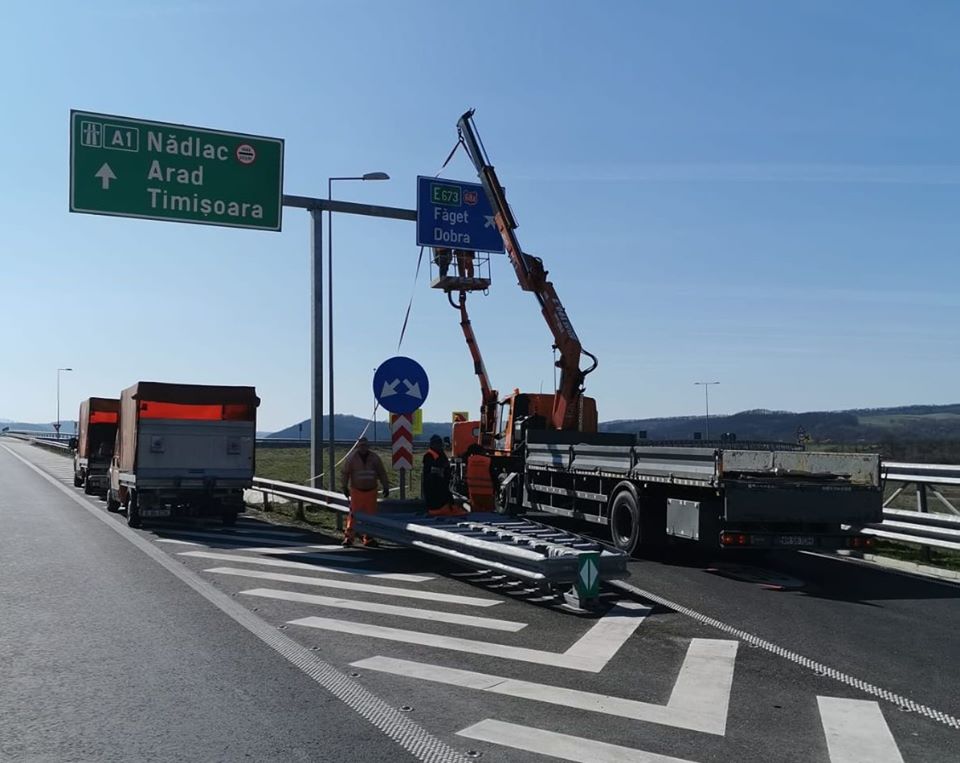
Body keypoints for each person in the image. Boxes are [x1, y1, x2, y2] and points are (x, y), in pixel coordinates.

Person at [340, 436, 390, 547]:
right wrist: (344, 487)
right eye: (361, 445)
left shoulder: (374, 458)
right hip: (356, 491)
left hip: (371, 492)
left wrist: (386, 486)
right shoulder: (352, 458)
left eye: (365, 445)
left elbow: (381, 472)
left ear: (368, 446)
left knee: (371, 516)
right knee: (353, 515)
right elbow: (345, 473)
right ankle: (349, 537)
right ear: (358, 446)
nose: (363, 448)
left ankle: (368, 538)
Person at [421, 435, 466, 516]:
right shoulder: (430, 455)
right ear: (433, 444)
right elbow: (435, 470)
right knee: (441, 494)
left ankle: (448, 507)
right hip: (435, 486)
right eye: (438, 444)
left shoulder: (439, 454)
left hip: (440, 485)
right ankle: (445, 508)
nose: (440, 446)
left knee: (444, 493)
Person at [464, 442, 496, 512]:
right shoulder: (488, 460)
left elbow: (463, 456)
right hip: (487, 493)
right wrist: (497, 488)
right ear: (481, 451)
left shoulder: (469, 460)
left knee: (476, 513)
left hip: (473, 492)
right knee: (489, 513)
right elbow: (493, 476)